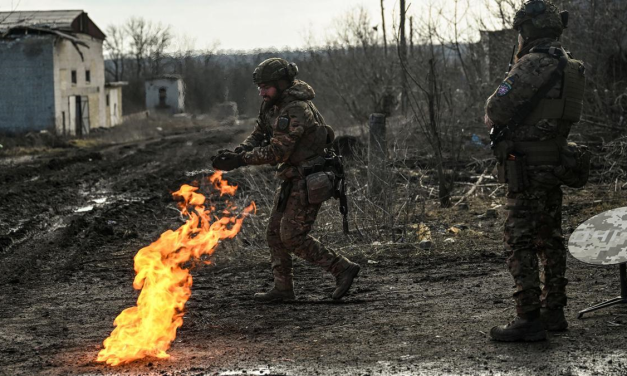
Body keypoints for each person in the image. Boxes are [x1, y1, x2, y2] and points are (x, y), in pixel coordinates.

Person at [212, 58, 360, 302]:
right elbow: (259, 134)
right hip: (292, 176)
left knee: (292, 236)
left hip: (309, 177)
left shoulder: (295, 110)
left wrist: (240, 161)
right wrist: (238, 152)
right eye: (259, 87)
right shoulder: (272, 105)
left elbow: (277, 152)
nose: (261, 92)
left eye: (266, 87)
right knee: (273, 233)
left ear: (281, 84)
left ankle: (342, 268)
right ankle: (283, 289)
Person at [484, 0, 587, 341]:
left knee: (520, 240)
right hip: (554, 162)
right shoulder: (570, 66)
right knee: (550, 237)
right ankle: (554, 310)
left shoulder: (530, 64)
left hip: (525, 167)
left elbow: (496, 108)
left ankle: (528, 317)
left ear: (528, 31)